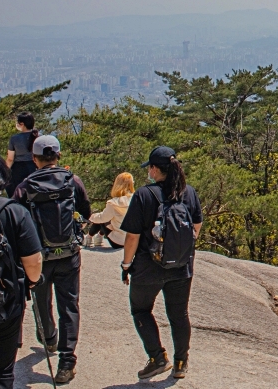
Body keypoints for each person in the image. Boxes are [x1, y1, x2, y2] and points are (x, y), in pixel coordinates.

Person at [13, 135, 90, 385]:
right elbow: (86, 211)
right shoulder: (72, 180)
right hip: (69, 255)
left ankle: (48, 337)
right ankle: (67, 362)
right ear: (58, 156)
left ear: (34, 159)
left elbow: (17, 221)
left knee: (41, 300)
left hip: (39, 256)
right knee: (69, 306)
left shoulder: (25, 186)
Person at [120, 146, 202, 381]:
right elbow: (196, 227)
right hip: (181, 267)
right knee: (179, 314)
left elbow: (133, 236)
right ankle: (180, 362)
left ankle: (157, 357)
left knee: (140, 309)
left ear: (155, 169)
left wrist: (126, 265)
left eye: (150, 168)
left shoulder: (144, 195)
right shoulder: (189, 193)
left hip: (148, 267)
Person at [0, 152, 43, 389]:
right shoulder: (14, 211)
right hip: (4, 303)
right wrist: (31, 282)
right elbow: (33, 261)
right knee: (0, 371)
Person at [84, 172, 134, 249]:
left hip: (118, 242)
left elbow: (102, 218)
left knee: (102, 218)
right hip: (133, 241)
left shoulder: (113, 203)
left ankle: (89, 237)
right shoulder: (136, 199)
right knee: (108, 218)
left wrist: (90, 217)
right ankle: (98, 238)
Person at [5, 112, 38, 198]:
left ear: (22, 124)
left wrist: (5, 171)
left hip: (18, 169)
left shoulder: (15, 138)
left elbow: (10, 159)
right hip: (34, 167)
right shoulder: (38, 136)